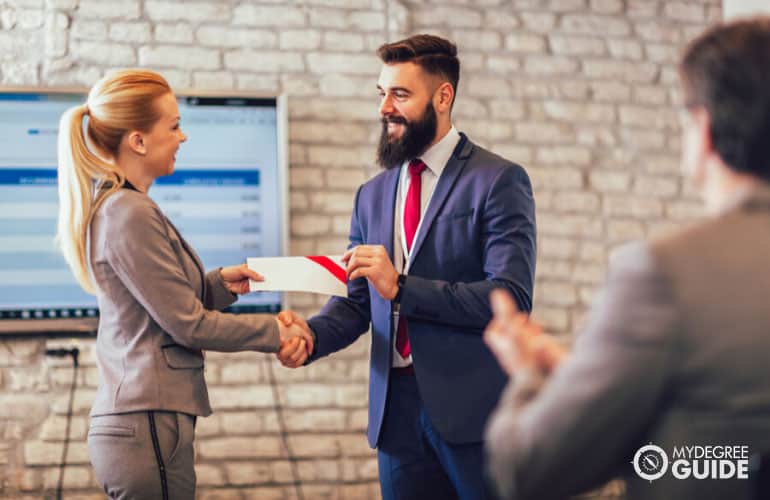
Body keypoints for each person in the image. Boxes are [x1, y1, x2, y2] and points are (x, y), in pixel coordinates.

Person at [483, 17, 770, 500]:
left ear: (703, 130)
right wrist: (581, 375)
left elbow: (526, 470)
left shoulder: (665, 274)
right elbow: (715, 449)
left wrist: (531, 377)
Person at [277, 34, 536, 500]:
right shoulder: (371, 195)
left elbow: (510, 299)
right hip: (394, 419)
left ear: (443, 96)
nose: (384, 108)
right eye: (382, 94)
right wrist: (310, 337)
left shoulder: (497, 181)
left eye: (400, 94)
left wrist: (401, 287)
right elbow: (358, 302)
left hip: (475, 417)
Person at [56, 69, 312, 499]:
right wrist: (276, 332)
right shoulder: (129, 211)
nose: (183, 137)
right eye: (173, 126)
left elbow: (157, 306)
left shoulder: (125, 206)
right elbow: (188, 325)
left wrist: (219, 285)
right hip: (147, 424)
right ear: (138, 140)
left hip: (147, 423)